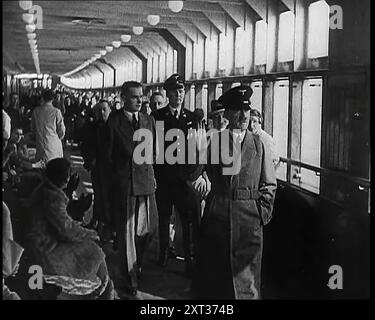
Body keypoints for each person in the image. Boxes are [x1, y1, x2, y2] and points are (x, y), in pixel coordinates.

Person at [191, 85, 277, 299]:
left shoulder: (259, 144)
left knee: (248, 281)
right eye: (238, 110)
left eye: (247, 110)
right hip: (218, 215)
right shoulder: (213, 141)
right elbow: (192, 172)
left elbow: (269, 183)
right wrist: (196, 147)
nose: (244, 115)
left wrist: (262, 214)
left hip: (249, 219)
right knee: (217, 278)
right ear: (227, 114)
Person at [26, 158, 114, 299]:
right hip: (46, 246)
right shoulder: (53, 197)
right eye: (67, 175)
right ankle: (96, 290)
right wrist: (89, 233)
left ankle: (98, 288)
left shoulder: (46, 189)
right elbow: (66, 230)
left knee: (90, 248)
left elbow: (62, 224)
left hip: (44, 239)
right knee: (94, 251)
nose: (69, 178)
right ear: (63, 178)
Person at [106, 81, 158, 297]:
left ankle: (136, 264)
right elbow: (107, 157)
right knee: (127, 235)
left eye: (141, 97)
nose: (139, 100)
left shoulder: (148, 120)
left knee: (148, 230)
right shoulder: (114, 121)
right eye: (135, 97)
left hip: (145, 182)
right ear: (123, 98)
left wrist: (152, 175)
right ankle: (130, 281)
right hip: (125, 184)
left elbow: (153, 152)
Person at [151, 74, 204, 276]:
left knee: (187, 219)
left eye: (181, 91)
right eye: (175, 92)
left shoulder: (192, 119)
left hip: (184, 180)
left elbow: (200, 150)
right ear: (168, 94)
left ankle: (189, 259)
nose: (179, 95)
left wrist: (196, 175)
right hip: (164, 178)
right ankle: (164, 252)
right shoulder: (157, 118)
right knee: (164, 217)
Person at [81, 100, 113, 239]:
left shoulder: (114, 127)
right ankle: (96, 221)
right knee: (98, 195)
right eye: (99, 110)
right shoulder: (91, 127)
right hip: (97, 167)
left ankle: (106, 225)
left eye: (104, 109)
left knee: (108, 197)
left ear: (110, 110)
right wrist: (89, 160)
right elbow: (85, 146)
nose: (102, 113)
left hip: (110, 168)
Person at [30, 90, 65, 162]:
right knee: (54, 167)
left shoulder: (36, 111)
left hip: (40, 145)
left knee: (41, 168)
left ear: (42, 98)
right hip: (54, 145)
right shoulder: (56, 112)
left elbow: (33, 129)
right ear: (53, 99)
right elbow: (61, 131)